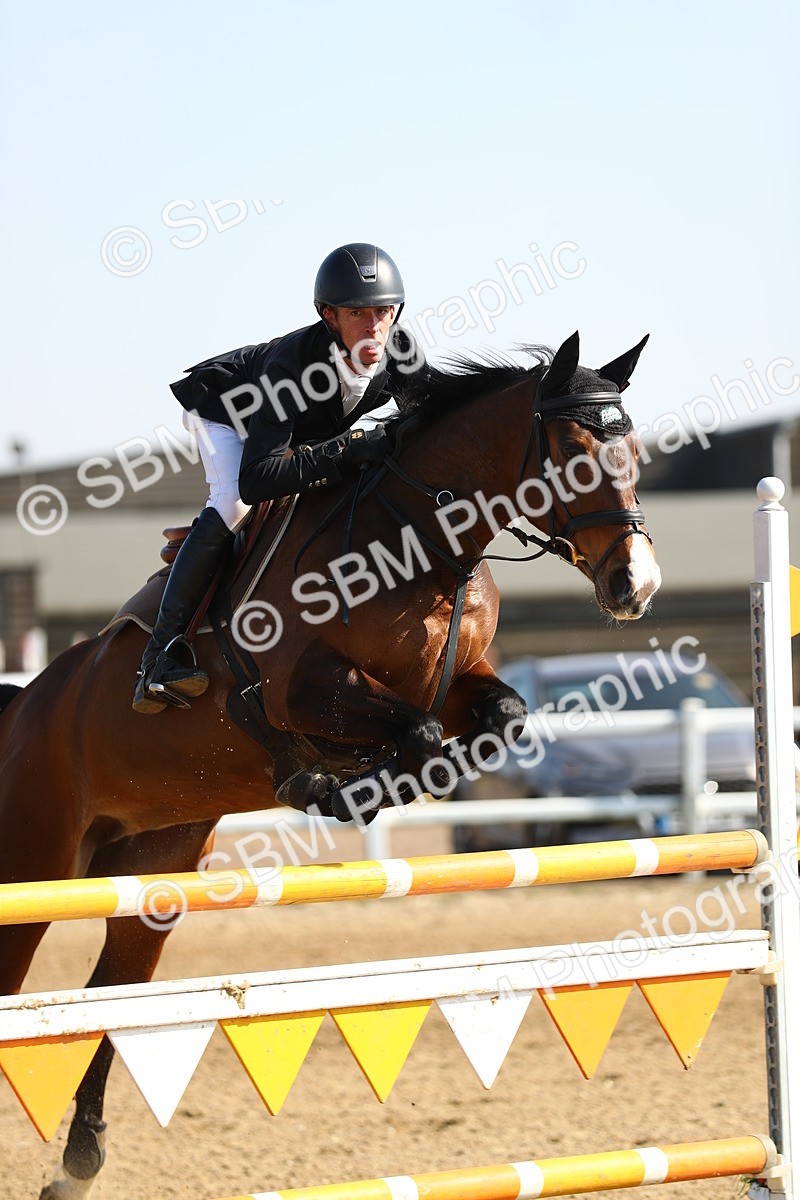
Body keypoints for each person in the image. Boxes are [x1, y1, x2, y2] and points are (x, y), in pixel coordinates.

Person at [132, 242, 424, 714]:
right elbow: (258, 477)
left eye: (383, 312)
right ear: (329, 316)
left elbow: (424, 427)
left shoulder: (402, 351)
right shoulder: (294, 367)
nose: (373, 328)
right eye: (356, 314)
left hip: (292, 433)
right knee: (233, 505)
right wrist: (346, 449)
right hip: (228, 414)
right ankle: (159, 658)